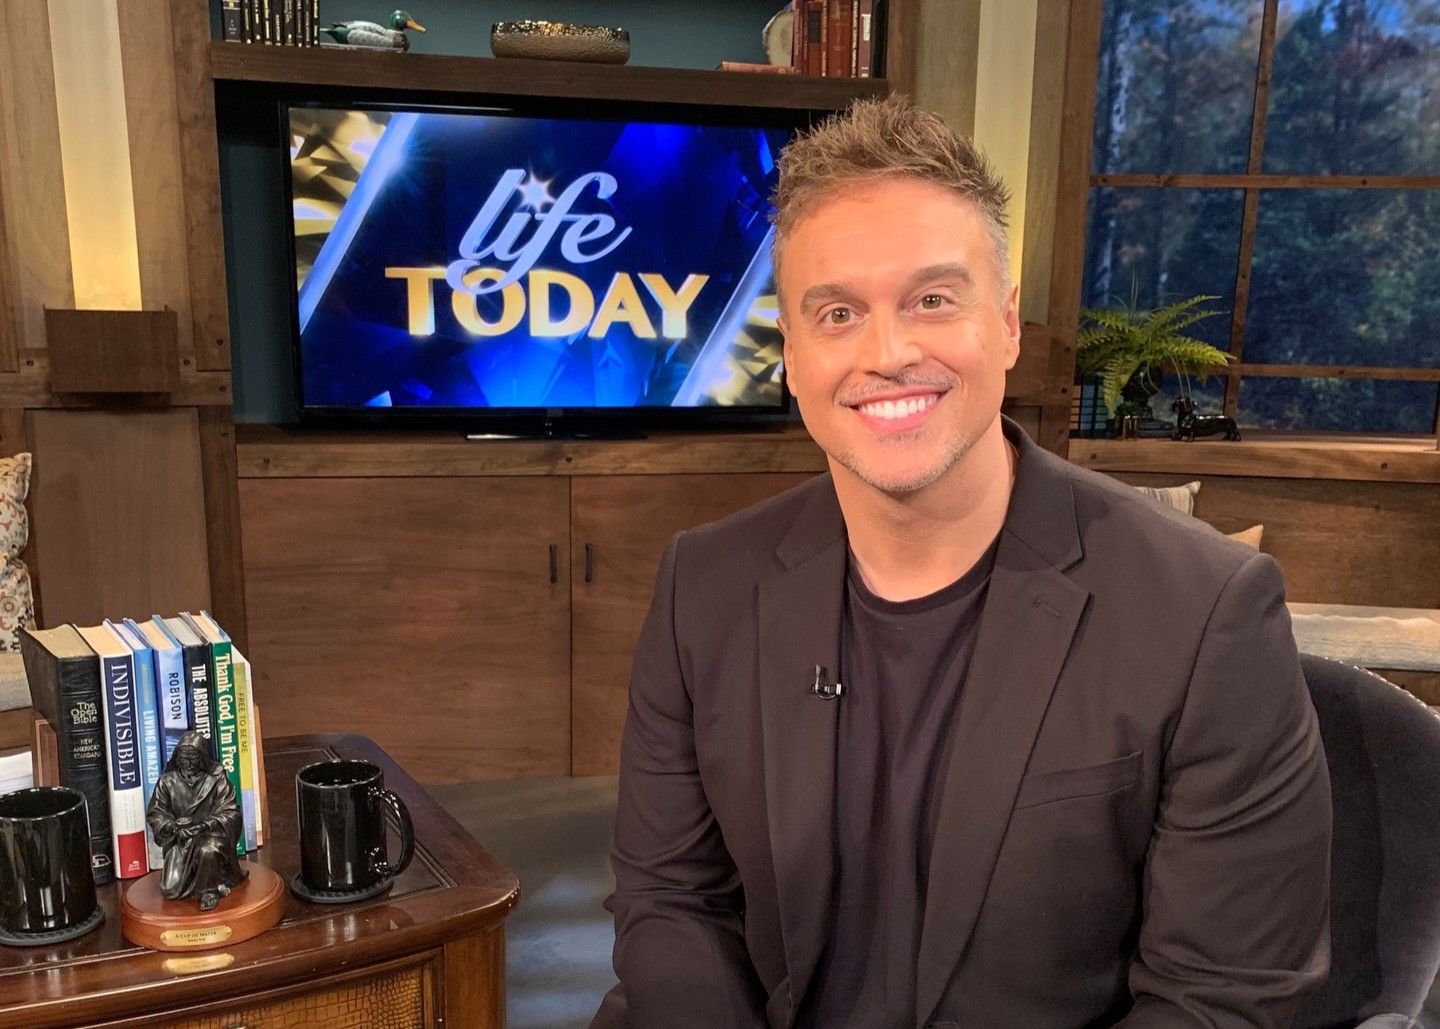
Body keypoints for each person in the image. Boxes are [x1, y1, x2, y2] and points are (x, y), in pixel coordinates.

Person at [590, 94, 1331, 1029]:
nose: (889, 352)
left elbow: (1219, 1000)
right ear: (792, 355)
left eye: (933, 299)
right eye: (838, 312)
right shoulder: (703, 586)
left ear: (1008, 323)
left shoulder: (1206, 613)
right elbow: (671, 901)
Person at [146, 730, 247, 911]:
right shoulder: (167, 782)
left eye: (193, 758)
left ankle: (208, 891)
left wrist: (204, 826)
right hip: (181, 840)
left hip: (210, 835)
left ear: (203, 758)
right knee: (171, 889)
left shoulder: (216, 779)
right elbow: (156, 813)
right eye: (184, 759)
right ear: (177, 758)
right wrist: (173, 827)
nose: (188, 764)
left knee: (208, 850)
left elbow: (231, 811)